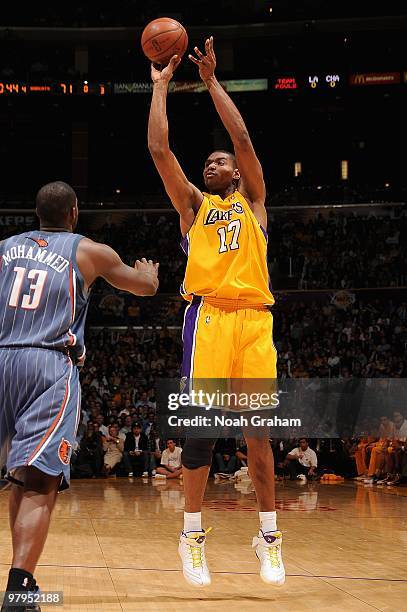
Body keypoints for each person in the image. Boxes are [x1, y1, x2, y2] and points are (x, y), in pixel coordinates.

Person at [148, 37, 284, 587]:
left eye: (220, 159)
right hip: (209, 318)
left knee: (258, 436)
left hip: (255, 320)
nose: (214, 162)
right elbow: (160, 151)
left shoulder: (253, 204)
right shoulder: (193, 208)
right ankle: (192, 534)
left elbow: (244, 136)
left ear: (237, 173)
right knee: (200, 434)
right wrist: (160, 88)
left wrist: (209, 82)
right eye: (208, 160)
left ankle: (269, 536)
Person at [0, 181, 159, 612]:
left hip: (2, 359)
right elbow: (143, 289)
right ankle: (18, 590)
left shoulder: (4, 249)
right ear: (73, 212)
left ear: (36, 213)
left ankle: (21, 583)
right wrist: (150, 273)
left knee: (20, 474)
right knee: (41, 479)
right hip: (49, 364)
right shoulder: (88, 250)